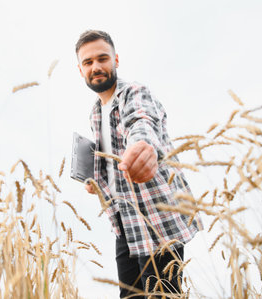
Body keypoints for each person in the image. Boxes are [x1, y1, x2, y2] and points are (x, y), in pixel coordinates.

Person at [75, 30, 202, 298]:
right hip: (124, 222)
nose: (96, 67)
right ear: (80, 69)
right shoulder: (95, 114)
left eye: (102, 58)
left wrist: (143, 148)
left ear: (116, 60)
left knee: (163, 294)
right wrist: (96, 182)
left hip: (155, 215)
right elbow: (113, 165)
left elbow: (141, 123)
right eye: (88, 62)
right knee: (130, 296)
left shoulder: (134, 92)